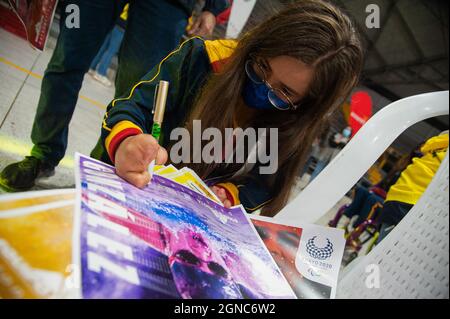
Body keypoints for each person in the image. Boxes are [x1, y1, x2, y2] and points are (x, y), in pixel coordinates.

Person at [93, 0, 364, 217]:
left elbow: (265, 183)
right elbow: (132, 106)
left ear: (305, 105)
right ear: (256, 46)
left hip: (187, 220)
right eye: (262, 67)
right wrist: (127, 141)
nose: (263, 86)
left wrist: (231, 194)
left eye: (285, 91)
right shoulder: (201, 59)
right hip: (123, 189)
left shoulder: (293, 122)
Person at [0, 0, 230, 192]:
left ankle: (100, 174)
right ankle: (43, 153)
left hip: (167, 4)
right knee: (66, 60)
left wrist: (213, 6)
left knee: (142, 89)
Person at [376, 132, 449, 243]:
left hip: (397, 196)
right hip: (415, 204)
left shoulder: (441, 142)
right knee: (389, 255)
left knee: (383, 251)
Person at [88, 4, 129, 87]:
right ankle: (100, 73)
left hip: (116, 19)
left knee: (104, 46)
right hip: (123, 24)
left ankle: (92, 67)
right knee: (111, 50)